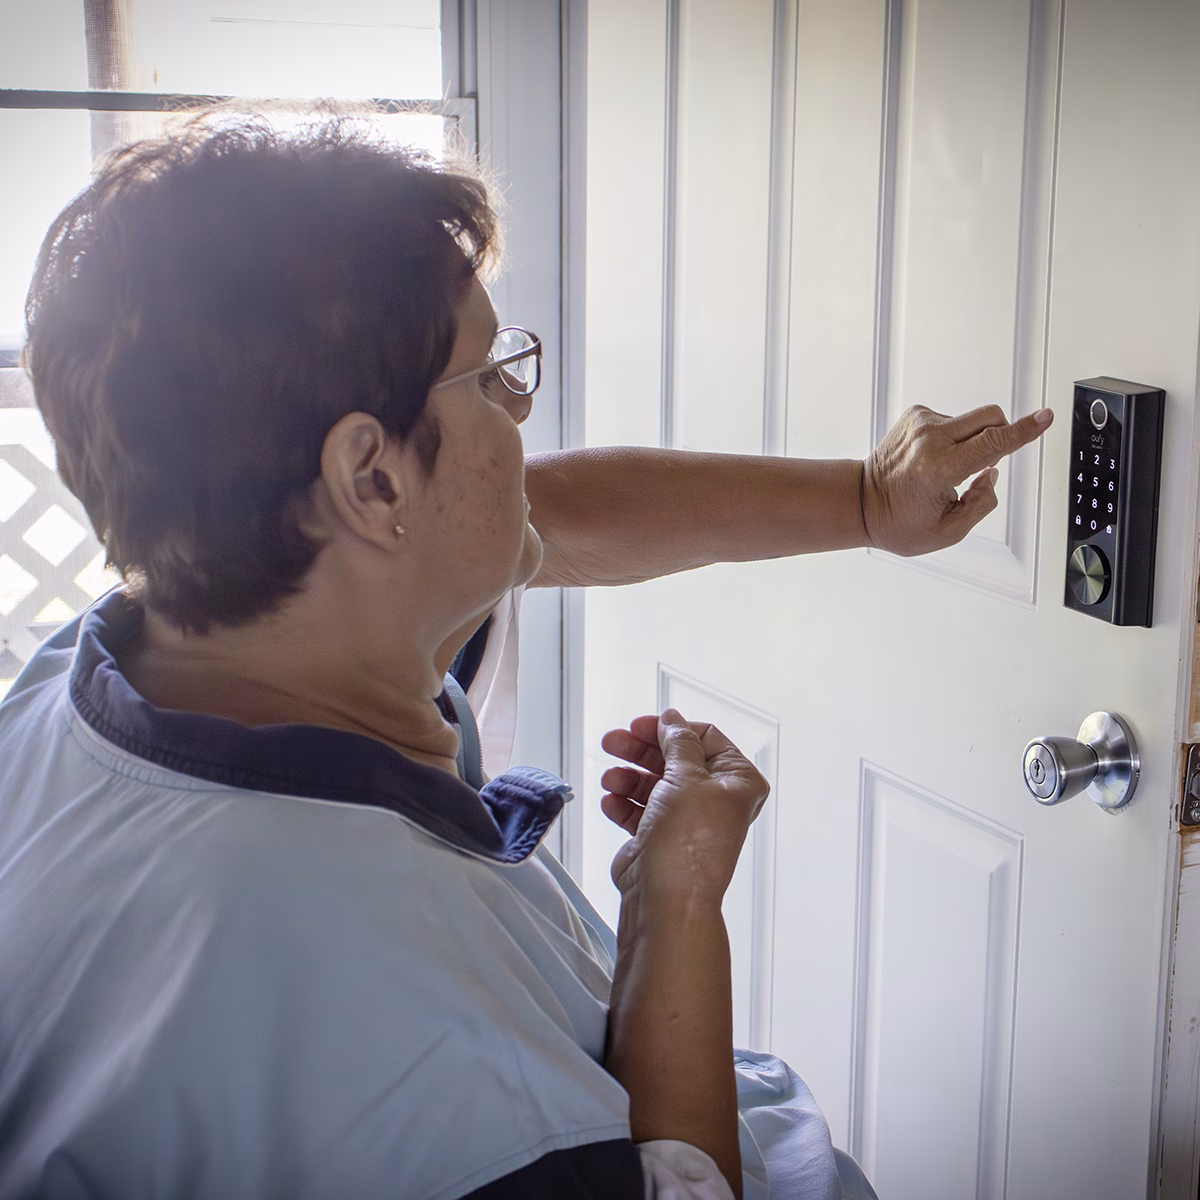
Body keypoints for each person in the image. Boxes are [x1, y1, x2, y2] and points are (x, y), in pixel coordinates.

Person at [0, 115, 1049, 1200]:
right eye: (493, 375)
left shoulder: (111, 671)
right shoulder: (403, 1031)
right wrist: (675, 909)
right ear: (372, 482)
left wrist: (865, 500)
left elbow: (543, 512)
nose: (521, 407)